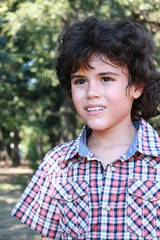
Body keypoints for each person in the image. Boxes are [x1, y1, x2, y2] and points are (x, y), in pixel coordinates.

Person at [11, 16, 160, 240]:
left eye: (106, 78)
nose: (91, 92)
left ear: (136, 86)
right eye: (80, 81)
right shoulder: (56, 164)